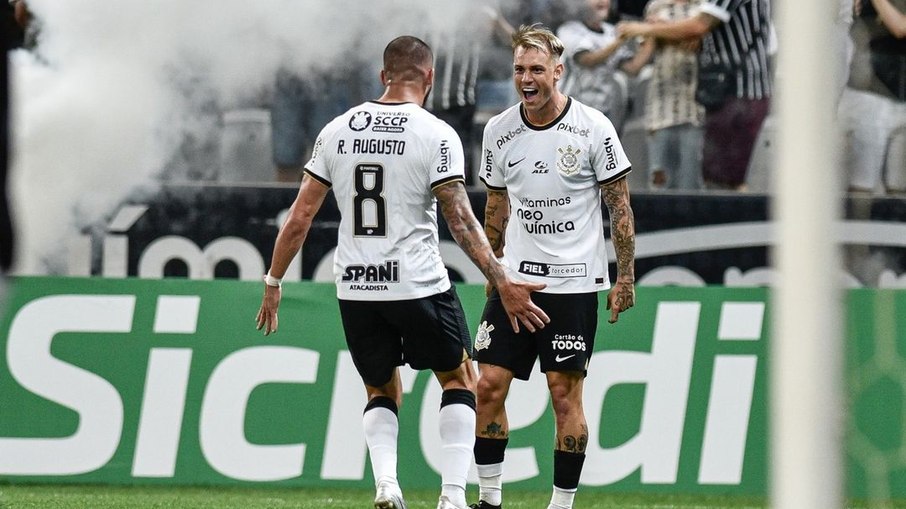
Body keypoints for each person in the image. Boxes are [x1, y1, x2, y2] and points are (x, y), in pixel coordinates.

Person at [255, 35, 549, 509]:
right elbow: (459, 218)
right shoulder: (435, 133)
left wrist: (273, 281)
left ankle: (387, 485)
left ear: (382, 76)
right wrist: (500, 278)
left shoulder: (337, 130)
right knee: (459, 379)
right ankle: (452, 497)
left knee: (380, 388)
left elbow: (300, 217)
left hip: (355, 286)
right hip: (417, 283)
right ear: (430, 77)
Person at [471, 24, 636, 509]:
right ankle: (489, 499)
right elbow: (495, 207)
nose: (527, 77)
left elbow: (620, 208)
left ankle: (561, 504)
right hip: (514, 282)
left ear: (558, 72)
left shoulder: (592, 127)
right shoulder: (498, 132)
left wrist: (624, 275)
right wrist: (494, 273)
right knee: (488, 387)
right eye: (520, 68)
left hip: (572, 283)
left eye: (536, 69)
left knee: (564, 396)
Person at [618, 0, 773, 191]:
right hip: (722, 93)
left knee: (724, 180)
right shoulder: (660, 7)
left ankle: (726, 219)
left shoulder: (700, 9)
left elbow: (698, 27)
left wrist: (646, 28)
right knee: (717, 178)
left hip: (737, 91)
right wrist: (671, 29)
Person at [639, 0, 706, 190]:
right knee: (659, 180)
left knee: (691, 181)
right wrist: (654, 32)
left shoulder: (704, 8)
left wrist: (661, 29)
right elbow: (643, 53)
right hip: (660, 106)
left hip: (695, 106)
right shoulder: (655, 7)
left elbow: (696, 39)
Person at [556, 0, 650, 134]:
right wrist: (620, 40)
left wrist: (652, 36)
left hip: (602, 113)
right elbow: (588, 60)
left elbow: (632, 68)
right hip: (571, 113)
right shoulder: (569, 30)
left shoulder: (611, 31)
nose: (602, 1)